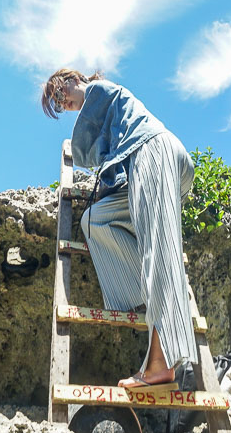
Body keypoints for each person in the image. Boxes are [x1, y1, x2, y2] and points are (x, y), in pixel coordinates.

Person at [41, 68, 198, 389]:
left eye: (61, 94)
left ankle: (162, 362)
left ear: (73, 78)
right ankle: (159, 299)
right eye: (60, 105)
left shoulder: (97, 90)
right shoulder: (108, 113)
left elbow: (83, 146)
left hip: (154, 151)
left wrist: (79, 146)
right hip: (144, 163)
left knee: (158, 250)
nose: (65, 103)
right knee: (94, 220)